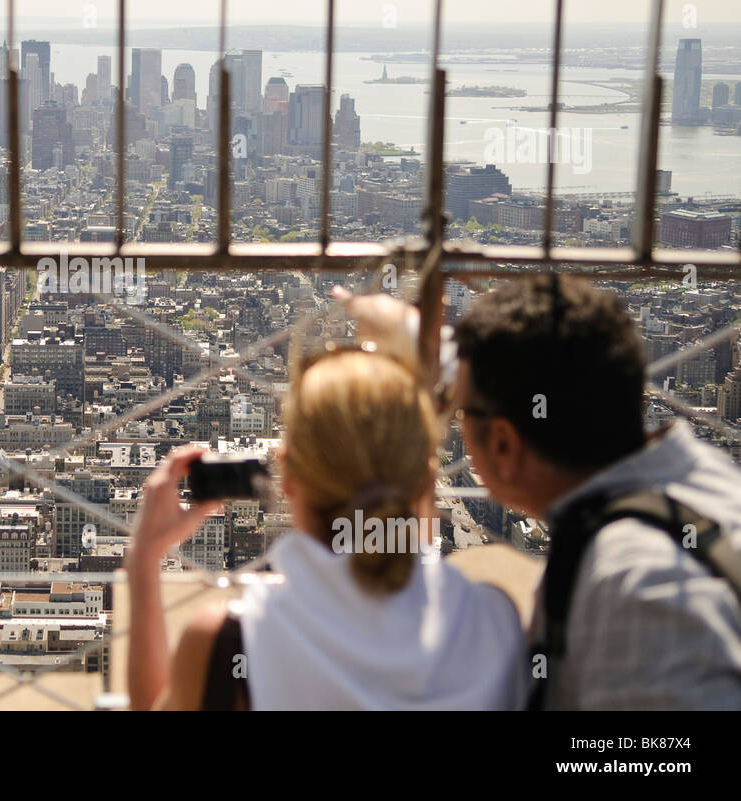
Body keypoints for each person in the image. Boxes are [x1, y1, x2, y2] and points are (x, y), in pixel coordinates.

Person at [337, 275, 741, 709]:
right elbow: (516, 379)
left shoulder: (638, 595)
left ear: (505, 445)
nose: (454, 421)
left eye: (457, 411)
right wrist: (407, 330)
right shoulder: (702, 476)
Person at [127, 349, 526, 710]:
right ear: (426, 481)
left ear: (289, 479)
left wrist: (145, 558)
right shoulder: (495, 624)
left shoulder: (233, 642)